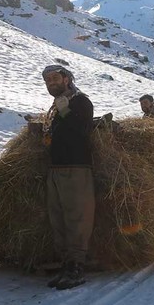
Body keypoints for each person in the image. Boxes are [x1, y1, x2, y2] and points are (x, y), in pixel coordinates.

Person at [41, 65, 95, 290]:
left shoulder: (80, 102)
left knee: (77, 218)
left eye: (55, 78)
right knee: (59, 218)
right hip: (56, 169)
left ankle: (76, 266)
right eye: (47, 80)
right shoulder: (56, 107)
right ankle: (65, 264)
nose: (51, 82)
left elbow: (81, 130)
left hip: (77, 167)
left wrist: (65, 112)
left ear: (67, 79)